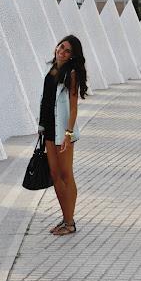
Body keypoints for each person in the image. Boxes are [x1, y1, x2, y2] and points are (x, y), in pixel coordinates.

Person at [38, 35, 88, 235]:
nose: (62, 51)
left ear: (72, 56)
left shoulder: (72, 74)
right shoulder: (51, 70)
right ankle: (65, 218)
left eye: (68, 51)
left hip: (62, 131)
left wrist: (68, 134)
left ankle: (70, 223)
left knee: (67, 175)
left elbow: (73, 108)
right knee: (55, 175)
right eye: (61, 47)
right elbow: (46, 101)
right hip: (49, 130)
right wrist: (41, 127)